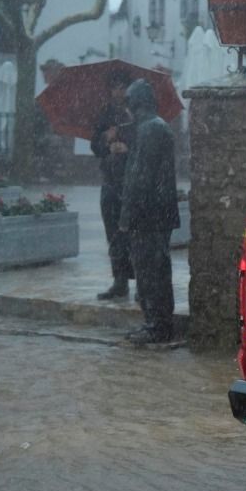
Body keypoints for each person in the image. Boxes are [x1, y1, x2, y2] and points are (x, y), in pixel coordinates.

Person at [119, 78, 179, 345]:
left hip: (147, 216)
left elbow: (138, 179)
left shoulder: (148, 130)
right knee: (157, 269)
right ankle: (159, 322)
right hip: (159, 213)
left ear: (135, 103)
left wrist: (126, 217)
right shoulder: (155, 127)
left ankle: (156, 325)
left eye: (128, 103)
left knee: (149, 272)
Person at [89, 69, 135, 300]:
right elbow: (94, 146)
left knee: (133, 233)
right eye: (115, 87)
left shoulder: (137, 113)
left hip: (131, 182)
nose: (118, 91)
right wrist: (106, 141)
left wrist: (127, 148)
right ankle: (119, 281)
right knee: (113, 233)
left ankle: (142, 282)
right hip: (110, 180)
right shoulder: (105, 114)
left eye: (122, 86)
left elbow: (144, 145)